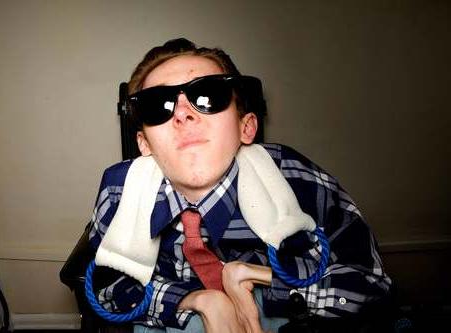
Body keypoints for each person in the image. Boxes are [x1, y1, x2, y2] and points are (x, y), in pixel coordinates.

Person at [88, 38, 392, 333]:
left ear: (245, 127)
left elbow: (373, 285)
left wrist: (266, 280)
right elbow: (106, 286)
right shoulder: (120, 190)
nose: (183, 114)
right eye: (159, 105)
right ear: (144, 144)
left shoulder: (293, 177)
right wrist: (195, 300)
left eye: (208, 96)